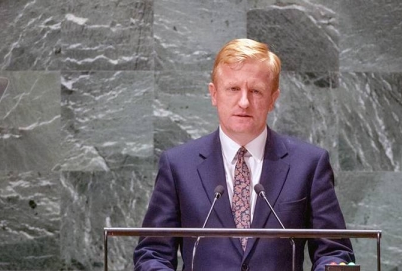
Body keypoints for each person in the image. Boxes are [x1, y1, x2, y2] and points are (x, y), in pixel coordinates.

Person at [134, 38, 354, 271]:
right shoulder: (178, 165)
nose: (244, 102)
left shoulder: (309, 164)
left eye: (256, 91)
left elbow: (334, 252)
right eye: (233, 89)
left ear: (272, 99)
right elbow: (152, 253)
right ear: (214, 94)